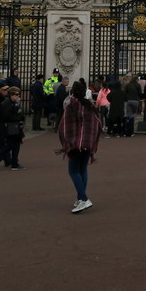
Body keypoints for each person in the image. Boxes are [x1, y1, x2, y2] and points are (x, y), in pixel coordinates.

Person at [57, 80, 101, 213]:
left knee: (73, 171)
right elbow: (97, 123)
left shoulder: (71, 104)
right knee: (82, 170)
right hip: (88, 142)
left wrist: (66, 141)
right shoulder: (88, 105)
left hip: (75, 143)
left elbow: (65, 125)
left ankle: (84, 198)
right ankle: (80, 198)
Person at [0, 87, 25, 170]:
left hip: (13, 127)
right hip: (9, 127)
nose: (18, 96)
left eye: (18, 95)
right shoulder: (7, 103)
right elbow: (6, 116)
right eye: (16, 94)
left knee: (15, 144)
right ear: (11, 95)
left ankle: (14, 163)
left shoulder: (13, 103)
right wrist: (18, 117)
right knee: (10, 145)